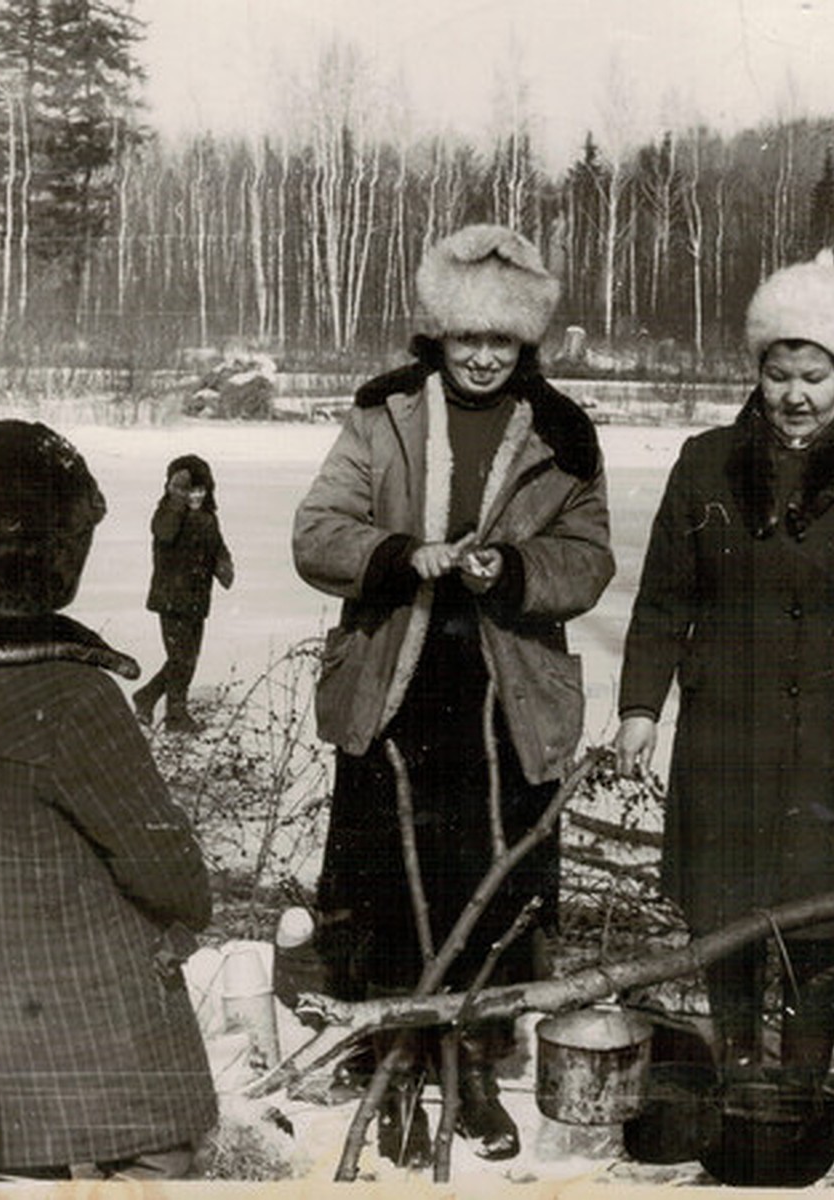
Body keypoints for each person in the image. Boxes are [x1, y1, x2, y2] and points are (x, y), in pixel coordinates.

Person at [293, 224, 614, 1165]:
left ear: (525, 345)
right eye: (466, 338)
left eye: (501, 342)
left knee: (493, 885)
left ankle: (472, 1068)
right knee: (386, 883)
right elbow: (319, 531)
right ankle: (395, 1066)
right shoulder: (383, 413)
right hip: (394, 686)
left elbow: (587, 560)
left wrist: (508, 569)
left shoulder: (563, 433)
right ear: (436, 336)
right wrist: (398, 554)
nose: (482, 357)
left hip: (505, 697)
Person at [614, 251, 834, 1099]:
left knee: (822, 909)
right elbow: (663, 599)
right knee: (725, 905)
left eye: (814, 374)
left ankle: (803, 1075)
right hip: (729, 727)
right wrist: (638, 708)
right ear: (757, 374)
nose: (794, 394)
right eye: (778, 374)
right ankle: (735, 1062)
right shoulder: (705, 463)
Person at [0, 420, 217, 1180]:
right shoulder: (72, 696)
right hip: (88, 1037)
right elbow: (163, 861)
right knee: (163, 1159)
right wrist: (182, 918)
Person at [132, 453, 234, 733]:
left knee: (187, 659)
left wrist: (224, 564)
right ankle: (175, 716)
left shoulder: (208, 518)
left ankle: (147, 696)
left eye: (201, 489)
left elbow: (218, 547)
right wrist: (176, 498)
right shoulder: (167, 514)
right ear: (175, 490)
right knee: (181, 659)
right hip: (171, 599)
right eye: (189, 490)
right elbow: (164, 533)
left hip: (197, 601)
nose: (196, 496)